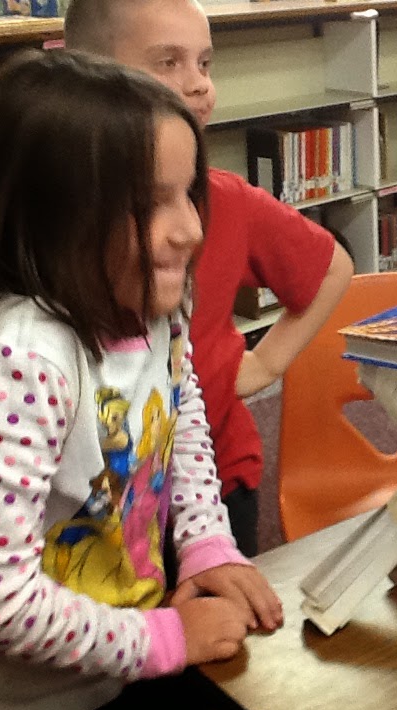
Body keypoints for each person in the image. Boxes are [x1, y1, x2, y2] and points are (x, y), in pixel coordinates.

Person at [0, 49, 283, 710]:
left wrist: (204, 543)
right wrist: (162, 639)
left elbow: (183, 415)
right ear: (53, 217)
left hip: (126, 662)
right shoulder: (25, 360)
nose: (192, 229)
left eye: (187, 192)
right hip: (36, 705)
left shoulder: (149, 302)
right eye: (149, 204)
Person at [64, 0, 355, 556]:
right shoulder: (59, 217)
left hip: (213, 480)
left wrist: (265, 364)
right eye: (168, 62)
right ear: (86, 75)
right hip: (92, 504)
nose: (198, 85)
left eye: (205, 63)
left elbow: (332, 267)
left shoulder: (224, 200)